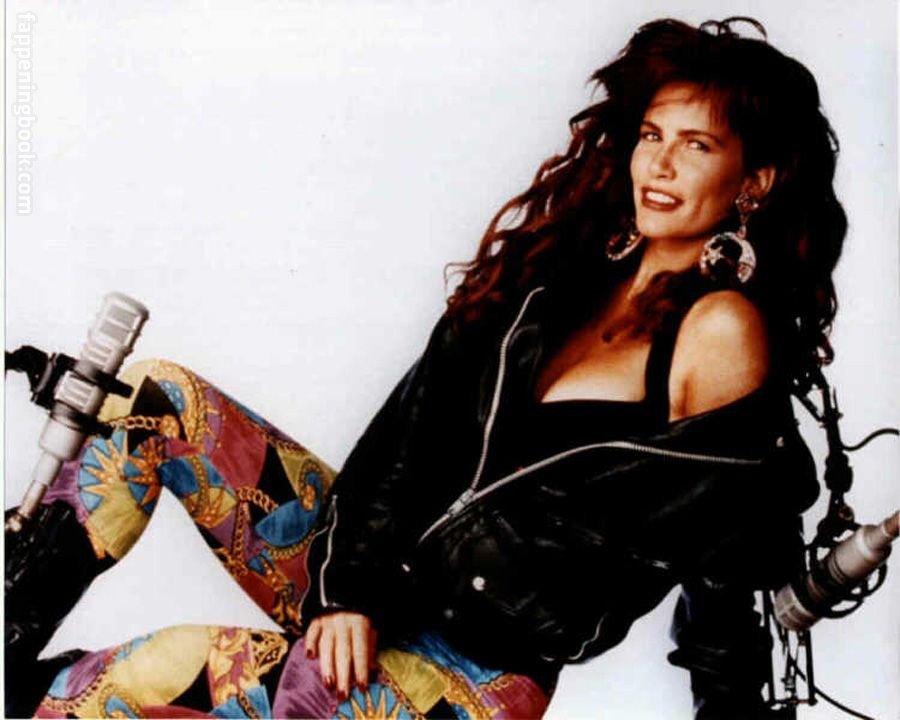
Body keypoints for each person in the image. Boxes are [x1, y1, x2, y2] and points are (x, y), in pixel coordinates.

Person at [5, 16, 844, 719]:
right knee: (158, 397)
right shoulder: (558, 282)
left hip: (473, 670)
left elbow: (723, 558)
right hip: (384, 586)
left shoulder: (719, 331)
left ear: (753, 182)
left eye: (697, 145)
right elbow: (404, 442)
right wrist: (347, 593)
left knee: (150, 671)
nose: (659, 164)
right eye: (653, 135)